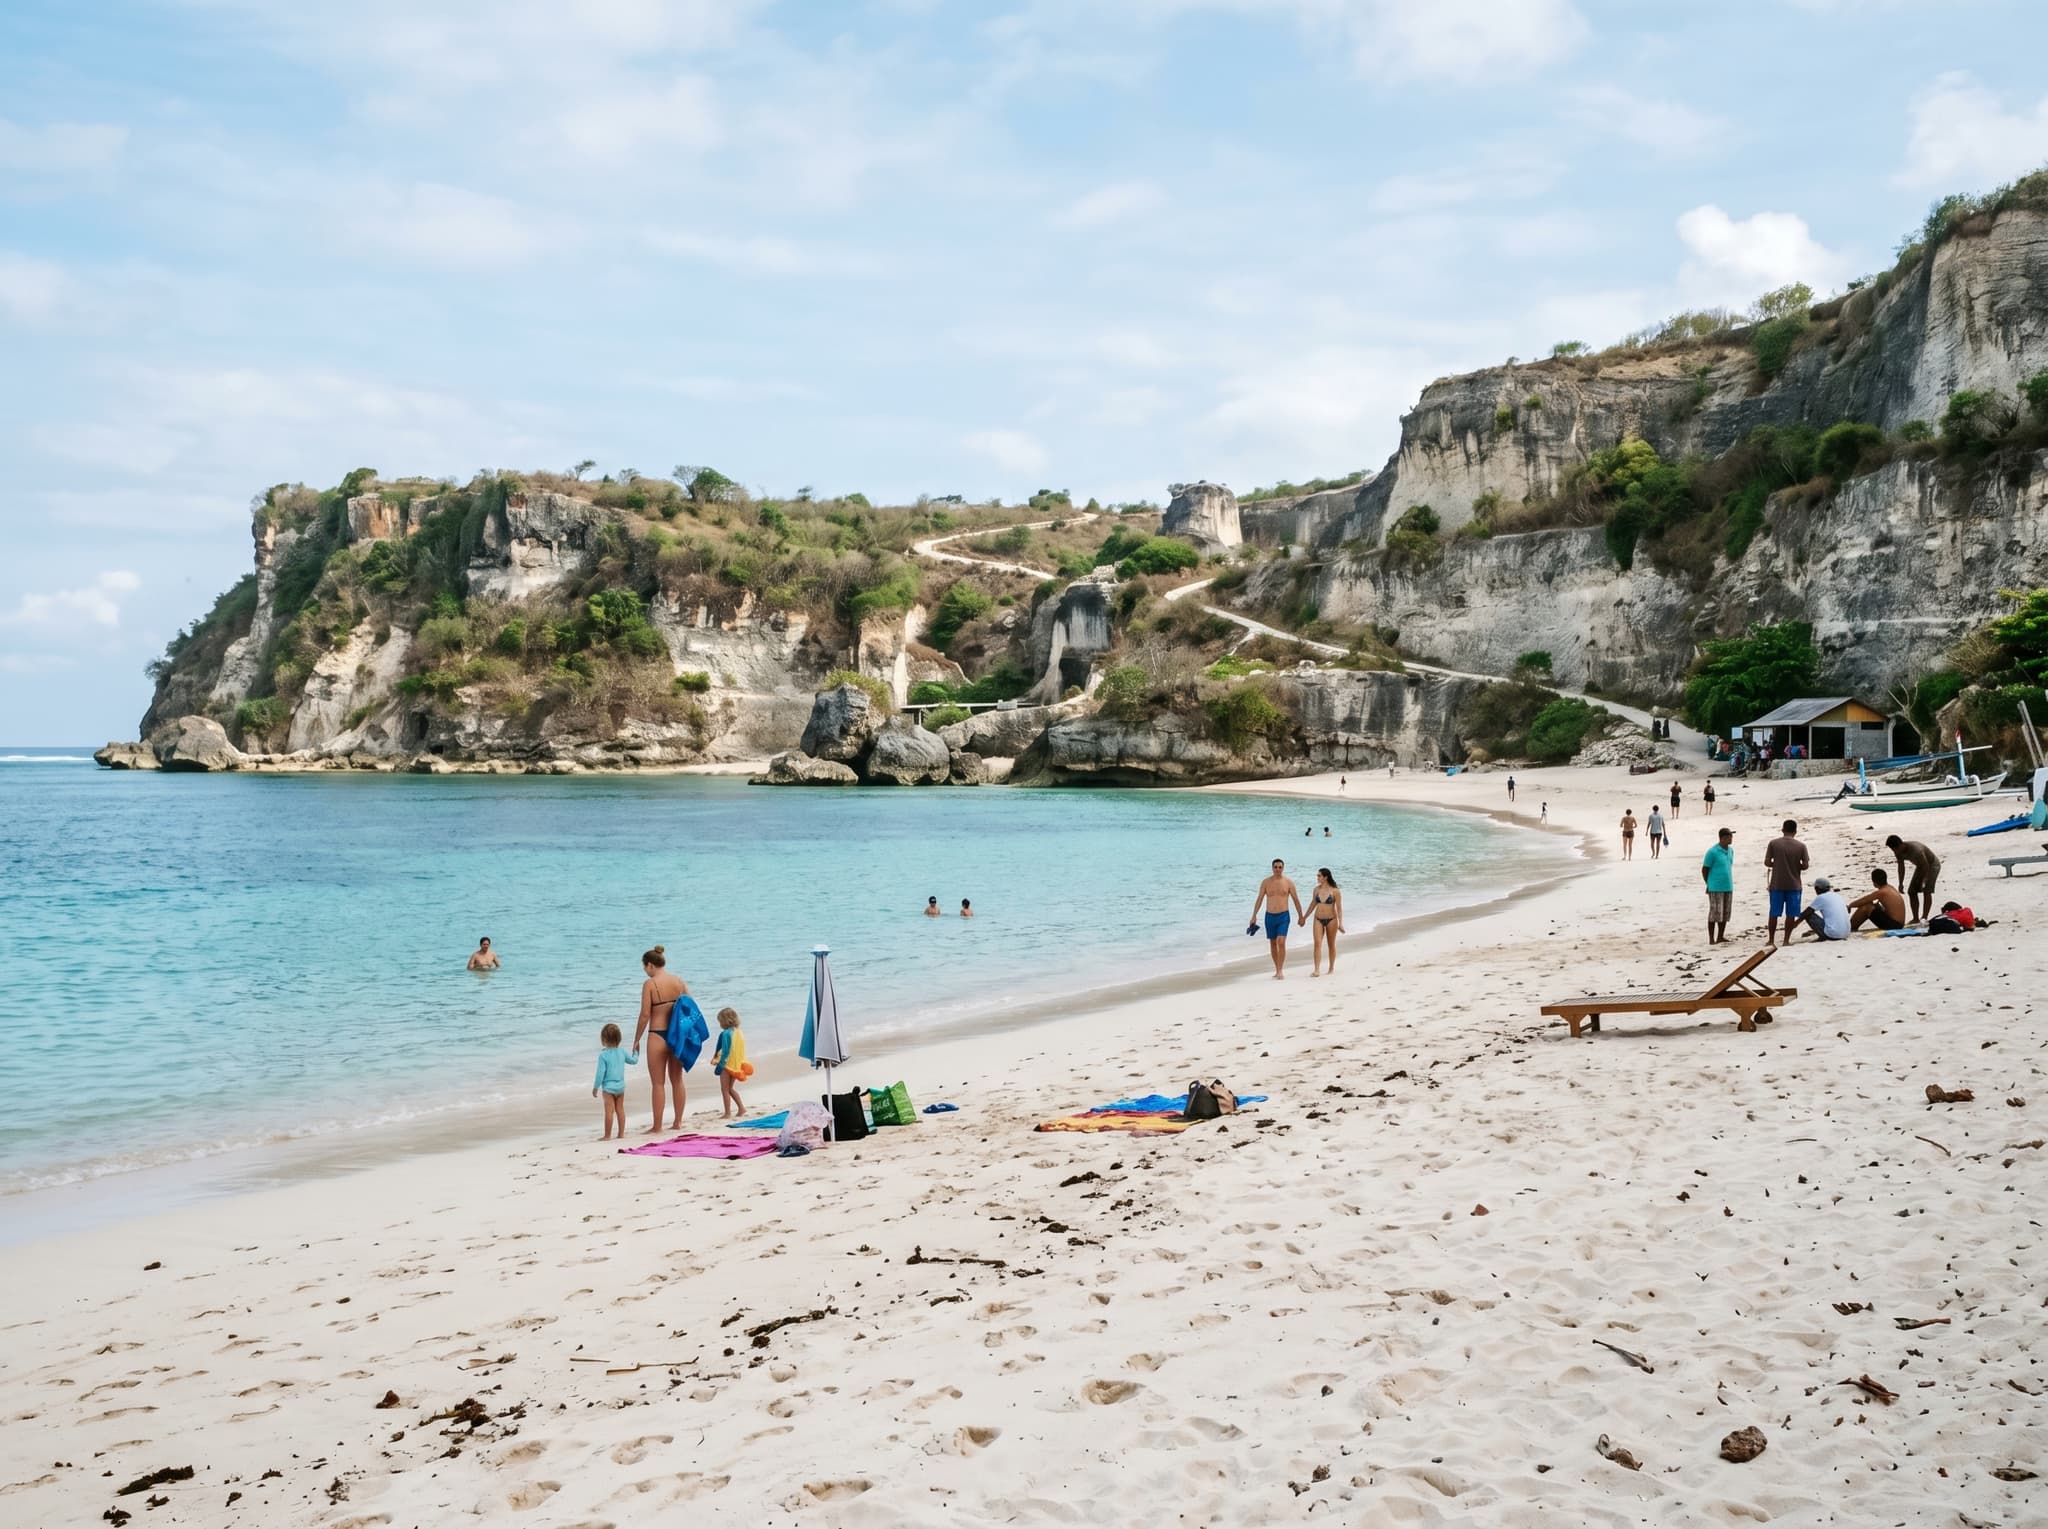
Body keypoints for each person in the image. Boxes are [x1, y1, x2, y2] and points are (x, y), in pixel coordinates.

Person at [630, 945, 689, 1133]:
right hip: (676, 1035)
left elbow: (645, 1014)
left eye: (644, 967)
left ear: (650, 965)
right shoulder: (678, 981)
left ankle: (657, 1126)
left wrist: (636, 1039)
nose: (645, 970)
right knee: (677, 1080)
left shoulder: (649, 984)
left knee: (658, 1083)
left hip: (657, 1035)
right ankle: (677, 1123)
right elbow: (690, 1006)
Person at [1247, 858, 1306, 980]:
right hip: (1269, 916)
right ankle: (1277, 969)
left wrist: (1301, 916)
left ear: (1283, 868)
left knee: (1281, 942)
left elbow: (1296, 900)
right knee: (1273, 943)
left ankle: (1280, 970)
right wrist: (1254, 915)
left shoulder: (1288, 882)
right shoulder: (1266, 882)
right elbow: (1259, 899)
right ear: (1272, 868)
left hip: (1283, 916)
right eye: (1275, 867)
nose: (1278, 869)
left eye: (1280, 867)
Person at [1764, 819, 1809, 946]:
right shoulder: (1801, 846)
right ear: (1795, 831)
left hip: (1777, 884)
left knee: (1774, 913)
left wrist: (1777, 864)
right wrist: (1795, 865)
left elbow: (1767, 862)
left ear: (1783, 830)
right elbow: (1805, 865)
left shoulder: (1773, 843)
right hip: (1794, 885)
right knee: (1791, 914)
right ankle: (1786, 940)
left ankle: (1771, 940)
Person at [1884, 835, 1942, 921]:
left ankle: (1924, 917)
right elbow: (1901, 867)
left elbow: (1926, 866)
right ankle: (1915, 918)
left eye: (1895, 849)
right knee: (1911, 891)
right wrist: (1900, 883)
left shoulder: (1916, 850)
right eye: (1893, 850)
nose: (1895, 851)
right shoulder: (1898, 852)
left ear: (1900, 845)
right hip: (1920, 866)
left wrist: (1924, 881)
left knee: (1926, 890)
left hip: (1932, 865)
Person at [592, 1022, 634, 1140]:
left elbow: (600, 1074)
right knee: (620, 1109)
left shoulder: (603, 1056)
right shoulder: (622, 1052)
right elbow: (633, 1061)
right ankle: (621, 1134)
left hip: (608, 1089)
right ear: (619, 1038)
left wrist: (595, 1087)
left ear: (603, 1039)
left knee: (609, 1112)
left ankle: (607, 1135)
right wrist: (636, 1052)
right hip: (620, 1087)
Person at [713, 1006, 750, 1119]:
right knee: (730, 1088)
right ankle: (741, 1108)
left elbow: (725, 1051)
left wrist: (720, 1065)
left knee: (724, 1089)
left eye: (720, 1021)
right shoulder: (739, 1032)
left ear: (724, 1021)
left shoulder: (726, 1034)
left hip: (726, 1065)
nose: (720, 1024)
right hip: (736, 1065)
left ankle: (727, 1113)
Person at [1701, 827, 1736, 943]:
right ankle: (1711, 938)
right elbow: (1705, 869)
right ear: (1722, 838)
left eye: (1731, 836)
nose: (1731, 839)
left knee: (1725, 913)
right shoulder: (1712, 852)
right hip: (1715, 887)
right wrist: (1709, 883)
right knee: (1714, 913)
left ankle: (1720, 936)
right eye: (1729, 837)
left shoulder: (1730, 851)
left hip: (1728, 886)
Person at [1308, 868, 1345, 977]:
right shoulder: (1316, 890)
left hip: (1331, 920)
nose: (1317, 877)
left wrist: (1340, 923)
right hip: (1318, 919)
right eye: (1317, 875)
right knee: (1317, 943)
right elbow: (1312, 905)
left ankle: (1331, 968)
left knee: (1331, 944)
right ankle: (1317, 970)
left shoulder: (1335, 891)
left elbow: (1339, 908)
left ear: (1325, 877)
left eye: (1319, 876)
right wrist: (1304, 917)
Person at [1796, 877, 1851, 941]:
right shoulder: (1837, 895)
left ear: (1817, 889)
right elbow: (1848, 910)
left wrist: (1795, 924)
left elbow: (1806, 912)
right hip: (1846, 933)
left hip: (1833, 935)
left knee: (1809, 915)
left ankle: (1823, 937)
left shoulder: (1821, 897)